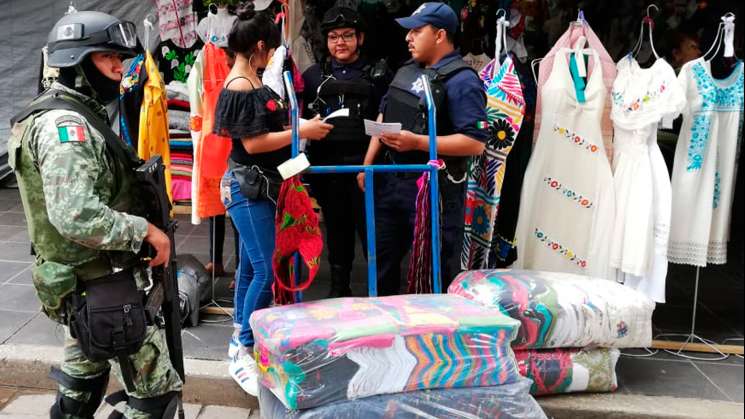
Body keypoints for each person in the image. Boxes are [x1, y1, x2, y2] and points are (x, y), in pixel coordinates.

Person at [7, 11, 183, 419]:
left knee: (83, 378)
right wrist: (146, 231)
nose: (120, 69)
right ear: (77, 62)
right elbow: (76, 216)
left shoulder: (55, 112)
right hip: (104, 283)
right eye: (108, 58)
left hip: (87, 285)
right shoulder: (67, 125)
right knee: (155, 395)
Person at [213, 2, 332, 396]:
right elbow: (253, 141)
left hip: (259, 187)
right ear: (261, 46)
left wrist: (302, 129)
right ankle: (241, 346)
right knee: (265, 269)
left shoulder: (249, 80)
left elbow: (267, 131)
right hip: (247, 190)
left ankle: (243, 338)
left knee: (251, 267)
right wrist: (304, 132)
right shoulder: (240, 85)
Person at [359, 2, 489, 296]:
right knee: (381, 268)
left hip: (435, 190)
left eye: (417, 31)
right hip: (391, 180)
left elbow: (476, 143)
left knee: (435, 273)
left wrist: (418, 142)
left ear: (440, 35)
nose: (408, 38)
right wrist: (369, 163)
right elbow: (384, 114)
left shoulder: (463, 81)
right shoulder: (406, 70)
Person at [302, 6, 392, 297]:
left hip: (367, 170)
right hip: (328, 171)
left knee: (372, 235)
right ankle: (338, 292)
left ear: (360, 38)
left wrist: (367, 134)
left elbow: (388, 122)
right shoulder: (314, 77)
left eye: (347, 36)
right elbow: (301, 123)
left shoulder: (379, 75)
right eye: (334, 37)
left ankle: (379, 295)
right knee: (337, 235)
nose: (340, 42)